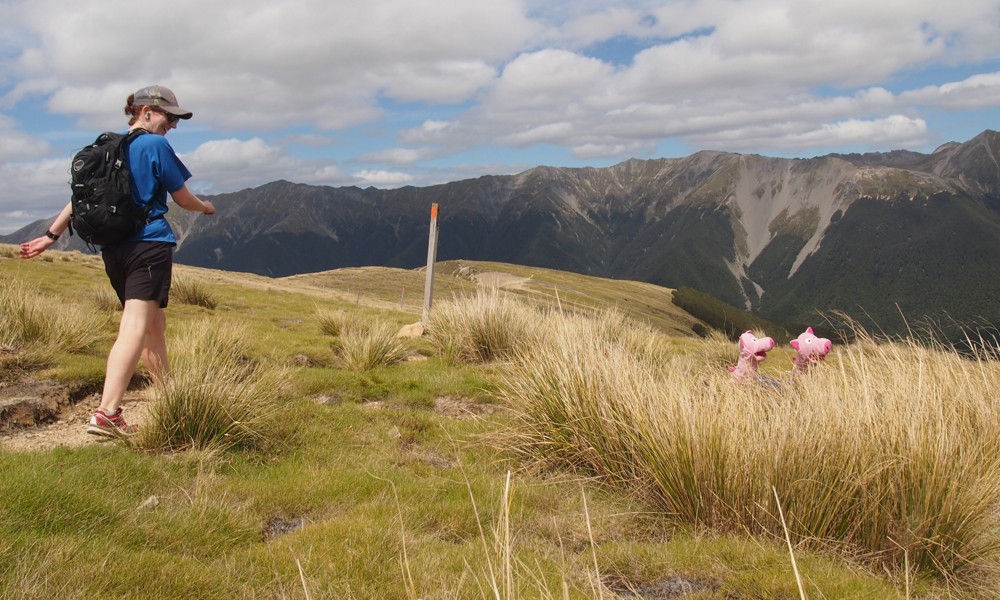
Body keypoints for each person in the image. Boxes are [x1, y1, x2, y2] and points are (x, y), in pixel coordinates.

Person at [19, 84, 216, 436]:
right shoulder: (154, 145)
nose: (173, 125)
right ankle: (107, 413)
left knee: (154, 326)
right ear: (146, 111)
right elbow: (183, 199)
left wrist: (50, 236)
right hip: (148, 246)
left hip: (114, 251)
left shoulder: (107, 147)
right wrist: (206, 207)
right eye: (169, 117)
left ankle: (170, 398)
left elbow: (79, 200)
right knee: (135, 327)